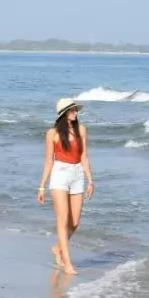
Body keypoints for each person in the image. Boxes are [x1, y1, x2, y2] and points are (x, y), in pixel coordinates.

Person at [37, 97, 94, 275]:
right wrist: (41, 186)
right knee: (62, 220)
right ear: (63, 114)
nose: (75, 113)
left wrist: (90, 180)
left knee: (75, 222)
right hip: (59, 174)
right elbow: (48, 161)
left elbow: (84, 157)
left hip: (77, 174)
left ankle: (58, 247)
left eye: (76, 110)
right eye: (71, 110)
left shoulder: (81, 130)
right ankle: (67, 262)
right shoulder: (52, 133)